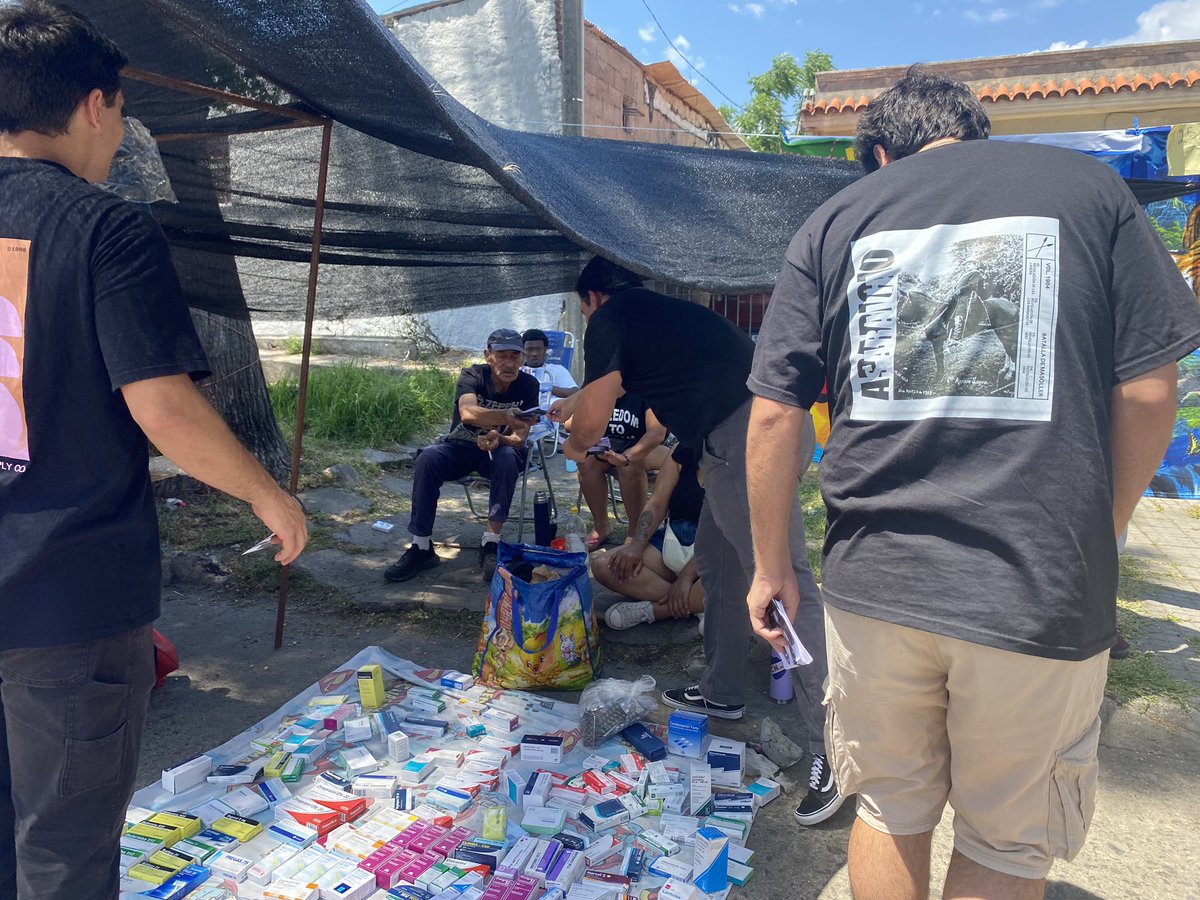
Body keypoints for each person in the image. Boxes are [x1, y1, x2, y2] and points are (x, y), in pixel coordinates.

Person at [746, 67, 1200, 898]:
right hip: (1036, 584)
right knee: (1009, 839)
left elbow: (775, 414)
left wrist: (771, 566)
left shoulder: (836, 220)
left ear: (881, 155)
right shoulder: (1088, 191)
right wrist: (1102, 528)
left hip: (874, 582)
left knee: (886, 805)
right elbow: (1146, 390)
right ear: (975, 132)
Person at [0, 3, 309, 896]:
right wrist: (268, 495)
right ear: (95, 104)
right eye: (122, 111)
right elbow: (162, 405)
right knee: (64, 848)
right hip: (66, 596)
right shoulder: (104, 226)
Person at [550, 257, 835, 819]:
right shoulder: (652, 315)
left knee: (782, 582)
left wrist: (575, 443)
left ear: (591, 299)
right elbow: (603, 391)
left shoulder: (609, 319)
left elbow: (592, 422)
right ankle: (722, 689)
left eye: (584, 311)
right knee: (719, 563)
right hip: (749, 429)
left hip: (750, 435)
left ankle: (836, 746)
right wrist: (575, 404)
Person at [385, 328, 539, 584]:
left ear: (522, 359)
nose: (509, 363)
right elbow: (467, 412)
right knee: (428, 457)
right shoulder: (473, 375)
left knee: (508, 457)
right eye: (502, 355)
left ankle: (491, 543)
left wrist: (500, 438)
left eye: (515, 356)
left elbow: (519, 439)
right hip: (462, 446)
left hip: (498, 450)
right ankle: (421, 546)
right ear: (488, 356)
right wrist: (504, 416)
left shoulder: (528, 385)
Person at [593, 443, 705, 629]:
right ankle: (697, 604)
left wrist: (687, 575)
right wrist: (636, 544)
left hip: (717, 551)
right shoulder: (682, 450)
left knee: (737, 577)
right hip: (674, 539)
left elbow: (730, 534)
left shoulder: (739, 458)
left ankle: (656, 611)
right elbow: (657, 502)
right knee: (606, 565)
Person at [571, 392, 669, 549]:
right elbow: (571, 424)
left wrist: (626, 457)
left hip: (650, 447)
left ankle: (635, 531)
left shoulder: (646, 388)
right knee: (586, 463)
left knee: (630, 466)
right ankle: (601, 526)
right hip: (611, 446)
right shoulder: (602, 390)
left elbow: (657, 434)